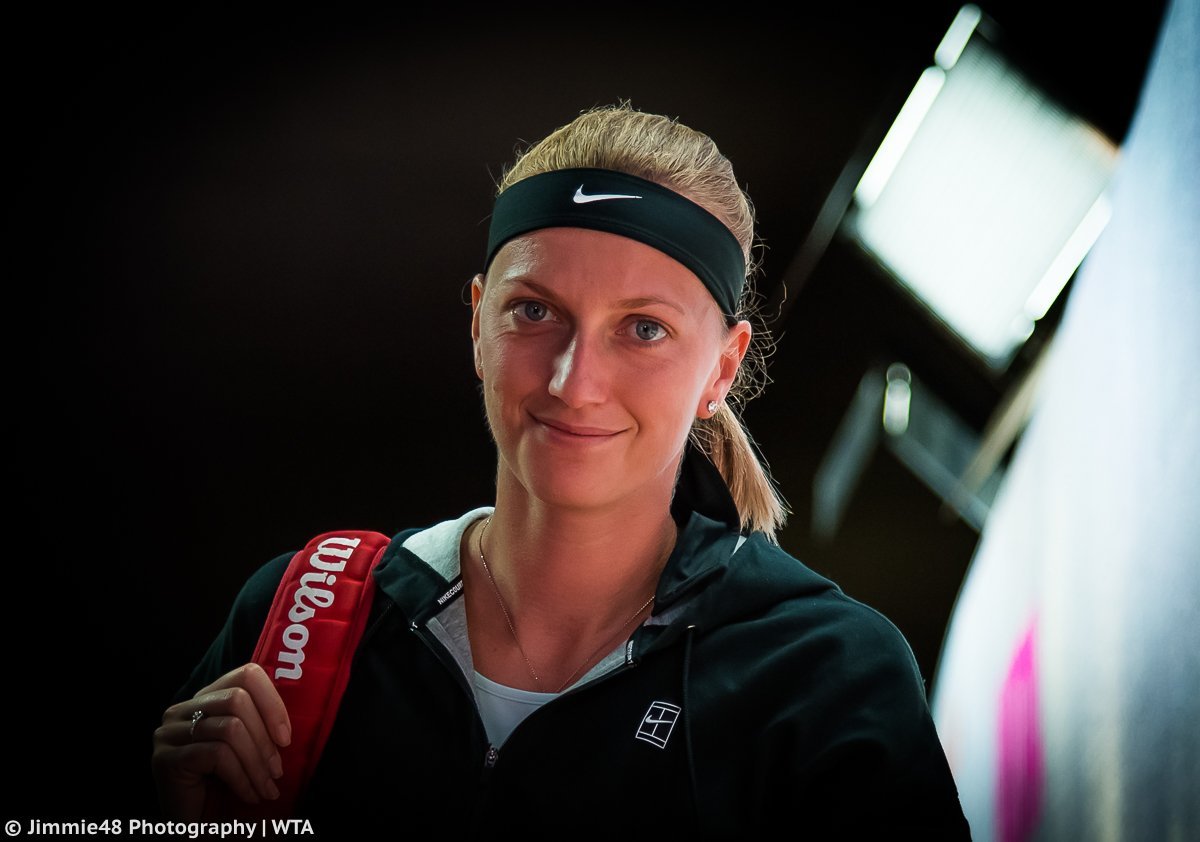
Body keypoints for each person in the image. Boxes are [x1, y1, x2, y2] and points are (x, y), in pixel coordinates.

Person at [152, 103, 971, 838]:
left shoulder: (825, 676)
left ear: (721, 370)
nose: (574, 382)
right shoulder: (305, 617)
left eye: (644, 329)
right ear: (478, 324)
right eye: (535, 311)